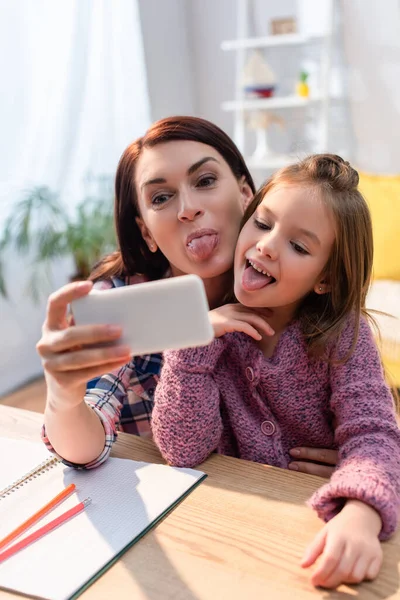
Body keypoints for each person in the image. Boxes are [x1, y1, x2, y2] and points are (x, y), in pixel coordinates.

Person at [151, 154, 400, 589]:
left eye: (299, 246)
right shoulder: (208, 328)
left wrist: (361, 514)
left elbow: (374, 435)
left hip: (315, 526)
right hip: (231, 527)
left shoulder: (345, 336)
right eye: (262, 224)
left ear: (325, 279)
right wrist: (193, 343)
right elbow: (182, 449)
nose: (266, 245)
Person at [37, 116, 337, 473]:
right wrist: (63, 398)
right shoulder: (124, 301)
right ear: (146, 232)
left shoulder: (295, 291)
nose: (188, 209)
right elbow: (84, 450)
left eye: (205, 180)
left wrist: (361, 462)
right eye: (161, 197)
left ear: (245, 196)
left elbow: (367, 420)